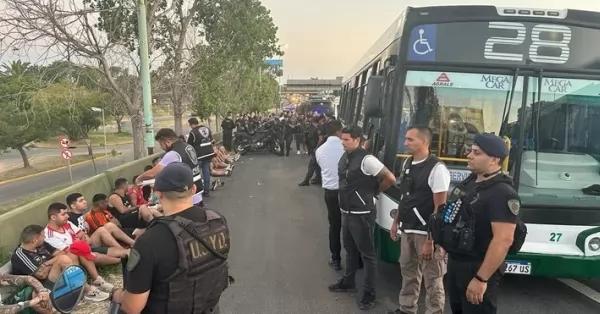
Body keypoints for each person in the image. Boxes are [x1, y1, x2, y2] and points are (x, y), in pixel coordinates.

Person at [110, 162, 232, 314]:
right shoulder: (217, 221)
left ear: (158, 193)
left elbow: (132, 307)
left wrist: (116, 295)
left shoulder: (150, 241)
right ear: (193, 189)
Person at [432, 133, 524, 314]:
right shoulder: (472, 182)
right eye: (470, 151)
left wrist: (481, 279)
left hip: (477, 266)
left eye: (476, 152)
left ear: (494, 160)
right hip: (458, 263)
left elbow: (503, 240)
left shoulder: (502, 193)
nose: (469, 155)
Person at [328, 125, 396, 310]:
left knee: (367, 255)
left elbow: (390, 178)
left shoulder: (368, 160)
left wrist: (373, 192)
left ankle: (369, 293)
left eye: (347, 140)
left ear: (357, 140)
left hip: (362, 214)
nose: (343, 142)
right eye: (342, 139)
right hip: (347, 212)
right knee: (350, 250)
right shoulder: (346, 156)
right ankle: (349, 282)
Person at [388, 126, 450, 314]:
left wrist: (431, 241)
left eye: (410, 140)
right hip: (408, 228)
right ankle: (407, 308)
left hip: (426, 234)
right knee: (408, 273)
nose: (405, 143)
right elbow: (405, 197)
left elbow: (440, 209)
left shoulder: (437, 169)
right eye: (405, 139)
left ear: (424, 142)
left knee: (433, 279)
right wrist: (396, 221)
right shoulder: (408, 163)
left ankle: (434, 311)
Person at [11, 224, 110, 303]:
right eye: (43, 236)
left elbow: (62, 252)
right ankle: (88, 291)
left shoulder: (41, 245)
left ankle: (96, 280)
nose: (44, 238)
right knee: (63, 259)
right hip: (44, 288)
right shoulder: (20, 255)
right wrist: (57, 262)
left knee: (75, 250)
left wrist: (49, 262)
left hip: (56, 273)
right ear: (34, 240)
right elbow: (42, 275)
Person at [136, 128, 205, 206]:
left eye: (161, 144)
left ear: (167, 142)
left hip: (186, 196)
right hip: (197, 190)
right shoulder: (188, 147)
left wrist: (139, 178)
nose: (161, 147)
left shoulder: (173, 153)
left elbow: (152, 173)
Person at [315, 120, 345, 270]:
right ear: (339, 132)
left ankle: (336, 259)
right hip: (347, 192)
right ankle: (356, 260)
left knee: (334, 226)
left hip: (331, 193)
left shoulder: (320, 150)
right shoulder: (346, 147)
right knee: (351, 226)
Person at [188, 118, 215, 197]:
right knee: (206, 172)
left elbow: (189, 145)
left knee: (196, 174)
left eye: (189, 125)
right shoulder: (206, 129)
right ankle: (206, 191)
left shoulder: (193, 132)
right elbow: (212, 140)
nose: (190, 126)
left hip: (199, 155)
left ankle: (196, 192)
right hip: (209, 153)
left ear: (192, 124)